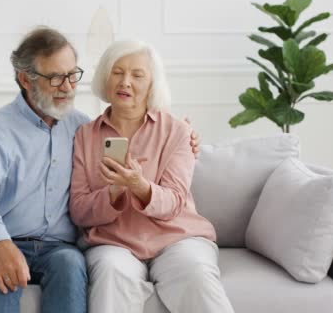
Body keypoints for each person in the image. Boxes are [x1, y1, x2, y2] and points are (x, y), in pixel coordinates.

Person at [0, 27, 200, 313]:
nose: (68, 86)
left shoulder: (83, 128)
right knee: (5, 277)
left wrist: (189, 139)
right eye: (55, 77)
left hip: (58, 250)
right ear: (25, 79)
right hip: (0, 244)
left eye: (73, 74)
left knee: (70, 263)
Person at [69, 40, 234, 313]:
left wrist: (139, 185)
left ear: (152, 84)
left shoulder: (177, 132)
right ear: (105, 78)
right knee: (111, 273)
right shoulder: (84, 136)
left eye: (137, 75)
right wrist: (113, 193)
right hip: (114, 243)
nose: (125, 82)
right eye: (117, 72)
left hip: (178, 238)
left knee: (195, 272)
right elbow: (79, 211)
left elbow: (175, 202)